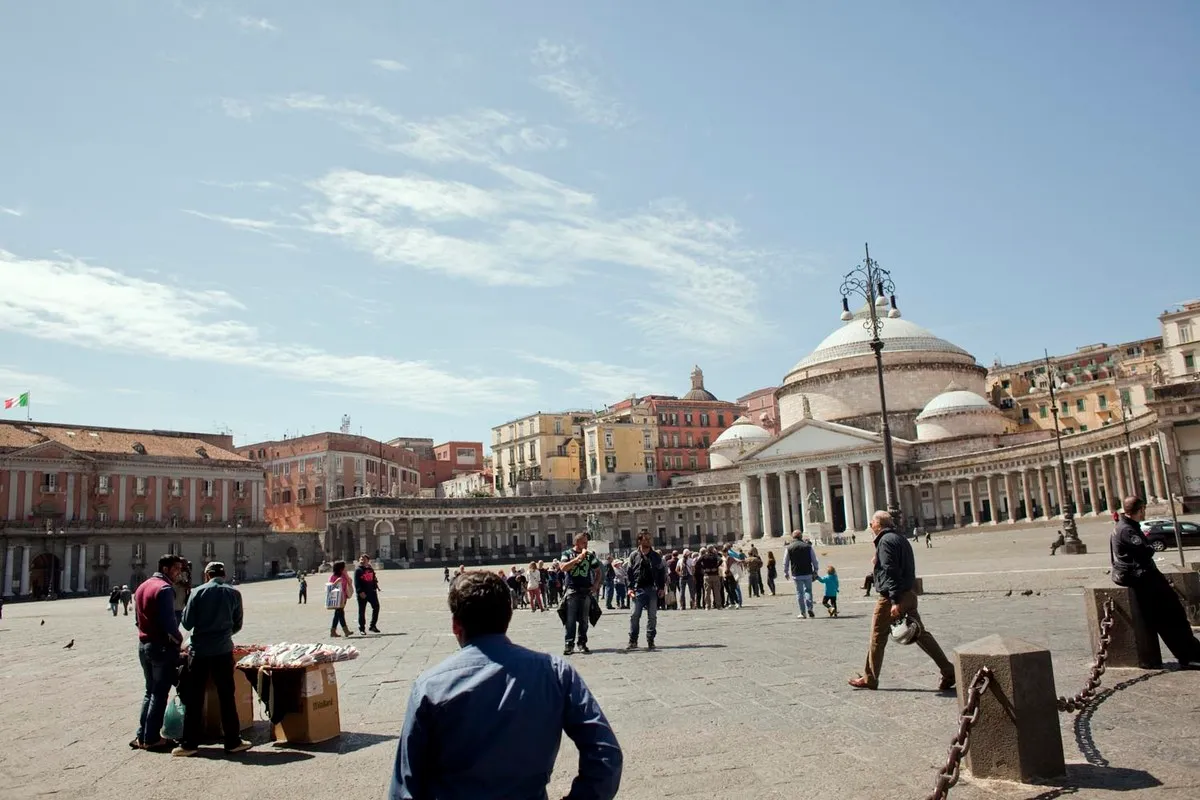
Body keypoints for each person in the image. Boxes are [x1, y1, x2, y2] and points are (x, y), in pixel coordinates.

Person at [389, 571, 622, 799]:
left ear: (456, 625)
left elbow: (405, 788)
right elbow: (606, 755)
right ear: (508, 616)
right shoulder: (555, 673)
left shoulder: (431, 687)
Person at [849, 511, 956, 691]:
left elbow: (891, 571)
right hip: (909, 593)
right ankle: (948, 670)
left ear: (879, 524)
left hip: (892, 597)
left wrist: (894, 601)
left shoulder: (885, 541)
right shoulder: (900, 538)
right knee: (920, 634)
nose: (870, 525)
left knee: (877, 636)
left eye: (872, 523)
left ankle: (870, 678)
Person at [1111, 496, 1200, 668]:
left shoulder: (1122, 526)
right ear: (1141, 509)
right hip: (1146, 580)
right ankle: (1190, 655)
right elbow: (1145, 552)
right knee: (1172, 617)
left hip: (1144, 579)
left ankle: (1190, 654)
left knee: (1170, 617)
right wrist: (1150, 548)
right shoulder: (1127, 530)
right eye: (1143, 509)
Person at [173, 561, 251, 757]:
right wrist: (224, 634)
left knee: (195, 697)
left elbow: (187, 623)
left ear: (207, 575)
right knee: (227, 696)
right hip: (223, 651)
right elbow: (238, 624)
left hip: (199, 652)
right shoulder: (234, 593)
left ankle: (189, 744)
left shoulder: (197, 592)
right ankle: (233, 741)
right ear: (223, 575)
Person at [131, 555, 186, 751]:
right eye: (176, 568)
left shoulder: (142, 586)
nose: (179, 572)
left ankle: (142, 735)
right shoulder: (164, 589)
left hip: (143, 644)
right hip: (160, 647)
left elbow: (137, 619)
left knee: (150, 691)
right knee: (159, 693)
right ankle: (152, 738)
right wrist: (179, 641)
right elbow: (169, 623)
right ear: (165, 568)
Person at [560, 533, 602, 655]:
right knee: (570, 619)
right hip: (572, 589)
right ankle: (569, 644)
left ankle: (582, 643)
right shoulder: (567, 554)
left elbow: (598, 571)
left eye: (587, 542)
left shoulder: (589, 556)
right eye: (584, 542)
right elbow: (563, 568)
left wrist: (596, 584)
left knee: (584, 619)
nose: (586, 544)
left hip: (586, 590)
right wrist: (577, 559)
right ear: (577, 542)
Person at [626, 531, 666, 650]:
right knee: (634, 615)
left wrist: (661, 588)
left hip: (652, 589)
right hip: (637, 589)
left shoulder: (656, 556)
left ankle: (650, 639)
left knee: (652, 616)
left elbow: (661, 572)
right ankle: (633, 640)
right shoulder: (633, 555)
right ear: (640, 541)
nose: (649, 541)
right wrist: (629, 588)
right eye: (646, 539)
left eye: (649, 539)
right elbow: (629, 573)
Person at [783, 531, 818, 619]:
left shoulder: (789, 547)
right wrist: (815, 570)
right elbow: (814, 560)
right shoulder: (808, 546)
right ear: (801, 536)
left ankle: (803, 612)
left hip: (796, 573)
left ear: (793, 537)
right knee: (808, 591)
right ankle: (810, 608)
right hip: (807, 572)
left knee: (799, 593)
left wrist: (786, 572)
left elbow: (785, 561)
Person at [354, 554, 381, 634]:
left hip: (372, 592)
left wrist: (376, 587)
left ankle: (372, 626)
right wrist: (360, 592)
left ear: (368, 561)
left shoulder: (370, 569)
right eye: (361, 559)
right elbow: (356, 582)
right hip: (362, 593)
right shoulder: (358, 570)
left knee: (376, 607)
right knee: (362, 611)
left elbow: (373, 579)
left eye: (364, 559)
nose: (362, 560)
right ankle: (362, 629)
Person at [327, 561, 353, 638]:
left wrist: (346, 574)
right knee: (340, 613)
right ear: (340, 568)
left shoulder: (344, 575)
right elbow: (330, 587)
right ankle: (346, 631)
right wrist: (337, 581)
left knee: (337, 614)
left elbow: (350, 582)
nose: (345, 568)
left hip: (344, 597)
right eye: (344, 567)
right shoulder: (333, 577)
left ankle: (333, 631)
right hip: (337, 598)